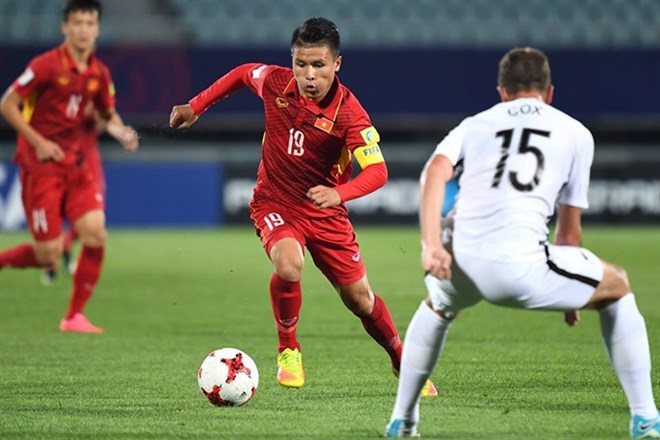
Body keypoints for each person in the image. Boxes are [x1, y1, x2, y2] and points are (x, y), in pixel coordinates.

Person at [384, 47, 659, 439]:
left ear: (502, 91)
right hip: (519, 266)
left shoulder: (475, 123)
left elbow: (434, 173)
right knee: (617, 285)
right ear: (549, 92)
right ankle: (646, 416)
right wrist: (573, 296)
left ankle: (403, 420)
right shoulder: (576, 132)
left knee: (437, 306)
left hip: (458, 255)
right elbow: (569, 231)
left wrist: (431, 245)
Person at [170, 17, 437, 396]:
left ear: (337, 64)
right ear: (292, 61)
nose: (308, 75)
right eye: (301, 64)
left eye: (319, 65)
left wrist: (338, 195)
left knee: (360, 299)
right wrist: (196, 105)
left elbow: (377, 171)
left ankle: (401, 360)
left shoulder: (349, 113)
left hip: (326, 211)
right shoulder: (276, 82)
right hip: (274, 200)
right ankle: (288, 349)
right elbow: (244, 73)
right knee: (289, 263)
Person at [0, 0, 139, 333]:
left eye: (90, 23)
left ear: (97, 29)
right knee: (47, 255)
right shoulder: (46, 65)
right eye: (77, 22)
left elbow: (106, 115)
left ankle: (73, 316)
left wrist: (121, 132)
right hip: (42, 167)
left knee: (95, 234)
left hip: (78, 167)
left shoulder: (98, 73)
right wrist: (38, 142)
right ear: (65, 27)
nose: (83, 30)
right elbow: (8, 103)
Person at [42, 101, 106, 285]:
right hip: (62, 160)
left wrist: (100, 121)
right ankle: (51, 262)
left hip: (88, 161)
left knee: (92, 212)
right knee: (55, 209)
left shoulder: (95, 86)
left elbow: (105, 121)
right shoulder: (58, 94)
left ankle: (66, 247)